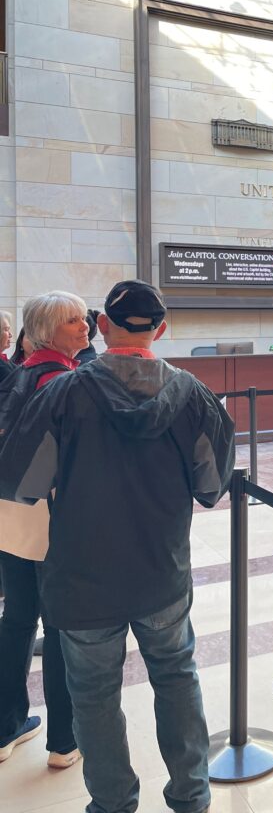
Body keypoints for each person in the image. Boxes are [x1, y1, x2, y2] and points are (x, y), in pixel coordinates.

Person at [1, 279, 235, 813]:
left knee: (94, 695)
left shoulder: (61, 394)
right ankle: (191, 797)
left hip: (81, 581)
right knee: (177, 679)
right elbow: (211, 486)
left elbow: (22, 484)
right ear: (162, 329)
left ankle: (112, 804)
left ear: (101, 328)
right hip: (162, 574)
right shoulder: (194, 395)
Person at [0, 290, 87, 767]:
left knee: (16, 620)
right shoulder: (64, 382)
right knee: (57, 627)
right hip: (48, 519)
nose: (86, 325)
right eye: (73, 320)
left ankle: (5, 726)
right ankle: (63, 741)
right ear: (50, 330)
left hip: (10, 517)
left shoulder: (19, 374)